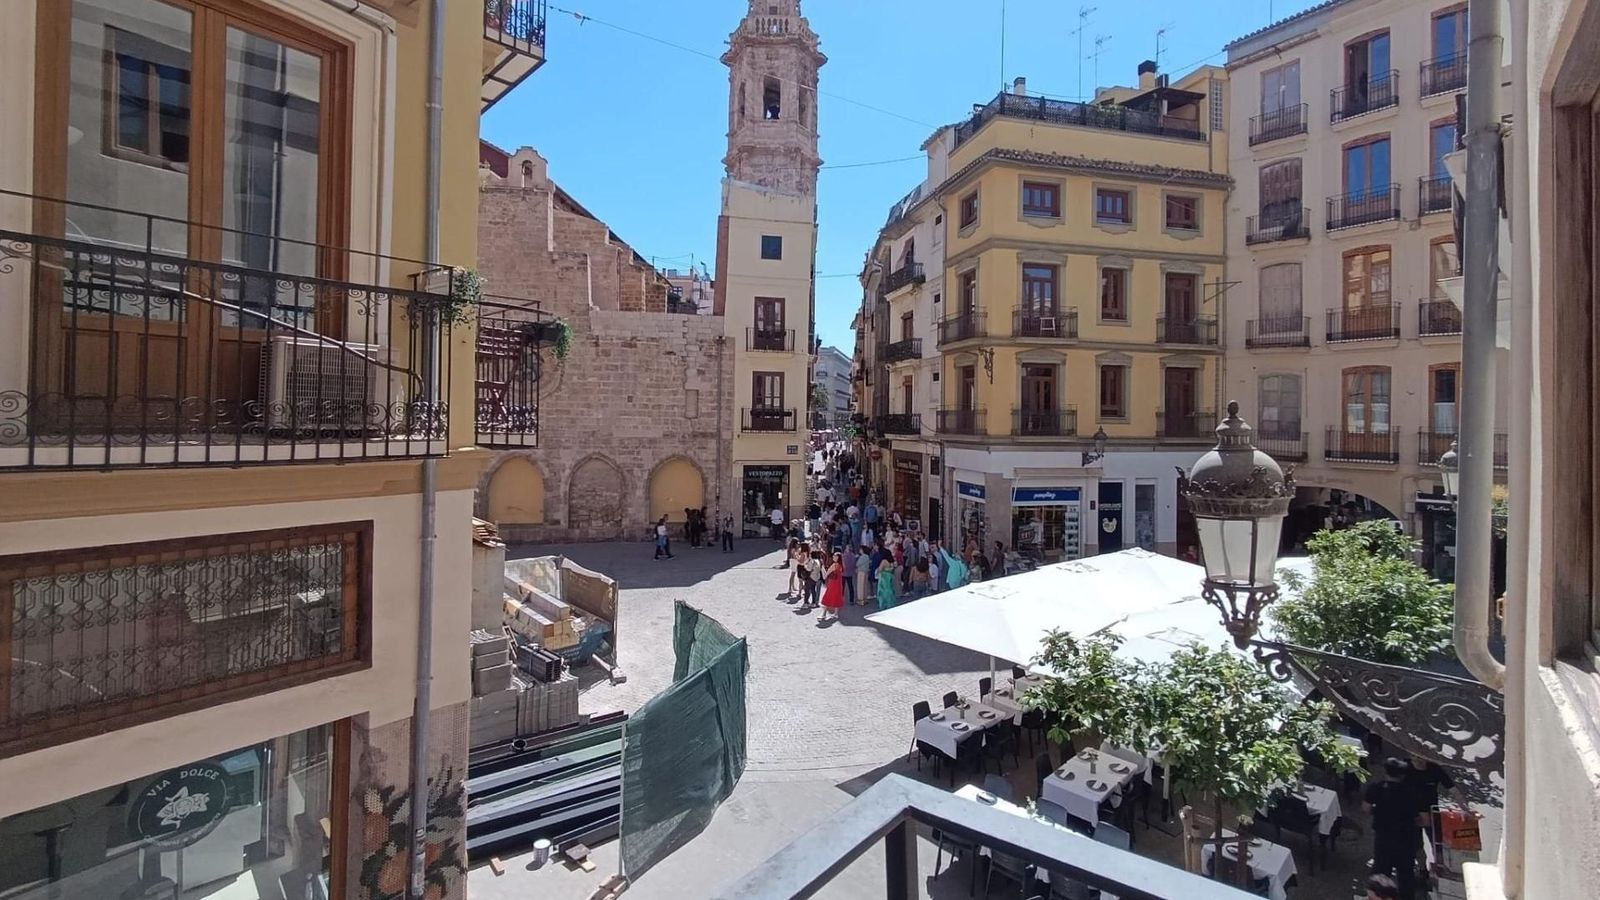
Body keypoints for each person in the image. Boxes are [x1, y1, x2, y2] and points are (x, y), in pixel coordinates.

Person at [1365, 757, 1423, 900]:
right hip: (1406, 840)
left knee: (1380, 875)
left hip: (1383, 838)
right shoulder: (1412, 792)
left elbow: (1366, 808)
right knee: (1406, 876)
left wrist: (1378, 811)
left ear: (1386, 772)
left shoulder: (1376, 788)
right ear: (1403, 775)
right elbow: (1423, 820)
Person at [1404, 754, 1465, 858]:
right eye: (1415, 758)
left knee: (1437, 843)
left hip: (1432, 812)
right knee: (1415, 845)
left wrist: (1465, 807)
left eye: (1421, 757)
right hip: (1411, 812)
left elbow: (1453, 789)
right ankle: (1422, 869)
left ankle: (1439, 865)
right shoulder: (1404, 768)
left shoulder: (1435, 769)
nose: (1419, 761)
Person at [818, 550, 845, 623]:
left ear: (837, 558)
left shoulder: (834, 565)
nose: (833, 557)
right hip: (838, 584)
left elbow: (825, 575)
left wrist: (822, 567)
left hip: (832, 583)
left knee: (827, 597)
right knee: (837, 597)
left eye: (835, 556)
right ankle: (836, 614)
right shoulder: (840, 566)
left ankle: (823, 614)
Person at [854, 542, 872, 606]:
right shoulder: (867, 556)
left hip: (861, 572)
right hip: (866, 571)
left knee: (860, 586)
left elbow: (857, 564)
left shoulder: (862, 557)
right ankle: (865, 598)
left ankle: (861, 600)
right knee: (865, 585)